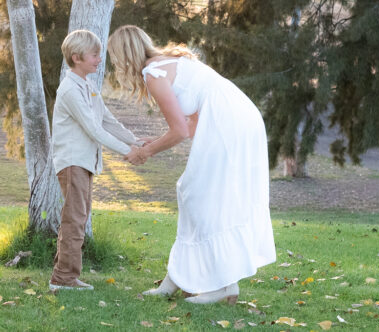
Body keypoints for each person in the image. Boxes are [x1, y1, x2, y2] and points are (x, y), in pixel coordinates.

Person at [108, 25, 276, 305]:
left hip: (230, 122)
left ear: (124, 55)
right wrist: (155, 141)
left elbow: (181, 131)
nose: (115, 64)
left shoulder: (153, 74)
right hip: (241, 118)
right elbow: (191, 122)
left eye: (114, 57)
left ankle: (223, 286)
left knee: (200, 197)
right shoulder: (172, 61)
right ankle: (176, 280)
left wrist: (145, 152)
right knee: (194, 194)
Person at [48, 29, 141, 293]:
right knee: (75, 219)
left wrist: (135, 142)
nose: (100, 59)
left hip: (85, 163)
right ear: (77, 58)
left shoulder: (87, 86)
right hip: (73, 162)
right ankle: (63, 278)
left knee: (78, 217)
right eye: (95, 55)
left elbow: (107, 120)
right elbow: (94, 130)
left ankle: (64, 276)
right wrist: (127, 152)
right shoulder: (69, 91)